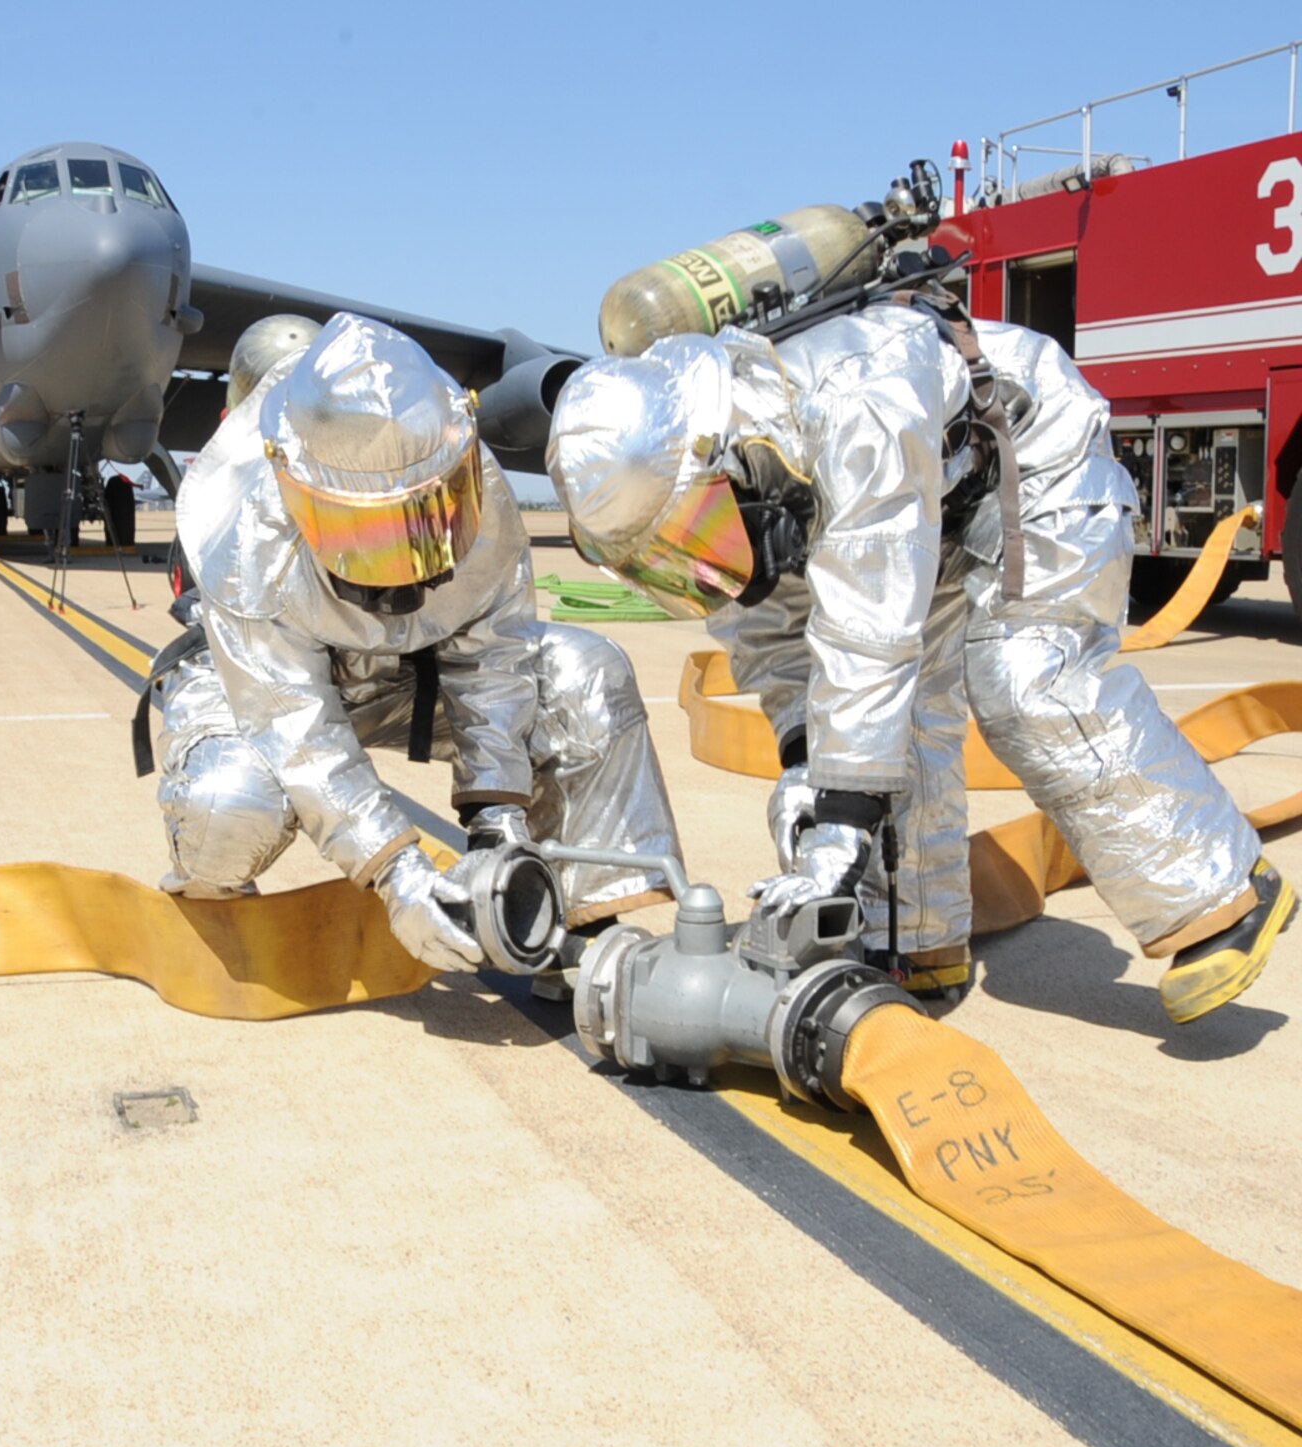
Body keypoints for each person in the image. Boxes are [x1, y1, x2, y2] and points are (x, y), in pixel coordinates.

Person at [546, 303, 1292, 1024]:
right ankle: (919, 941)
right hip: (928, 499)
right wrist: (808, 772)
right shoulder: (731, 499)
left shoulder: (854, 400)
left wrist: (840, 823)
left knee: (1023, 676)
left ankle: (1222, 891)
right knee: (890, 738)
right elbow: (781, 650)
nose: (696, 558)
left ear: (716, 460)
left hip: (1030, 460)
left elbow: (871, 626)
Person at [142, 311, 683, 980]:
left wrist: (497, 818)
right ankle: (213, 911)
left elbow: (495, 655)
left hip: (403, 676)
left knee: (586, 673)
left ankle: (570, 921)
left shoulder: (471, 480)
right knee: (229, 805)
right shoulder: (249, 531)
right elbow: (296, 725)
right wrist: (398, 873)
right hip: (253, 688)